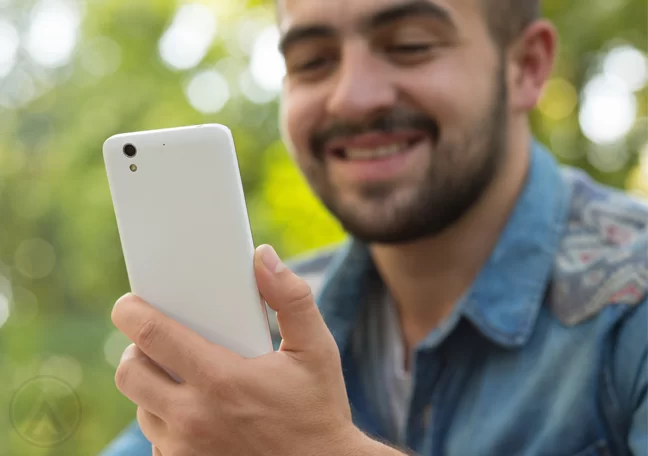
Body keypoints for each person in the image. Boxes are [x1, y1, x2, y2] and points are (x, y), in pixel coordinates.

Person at [100, 0, 647, 455]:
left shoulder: (633, 304)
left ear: (526, 67)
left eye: (410, 45)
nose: (353, 97)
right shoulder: (258, 327)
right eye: (313, 61)